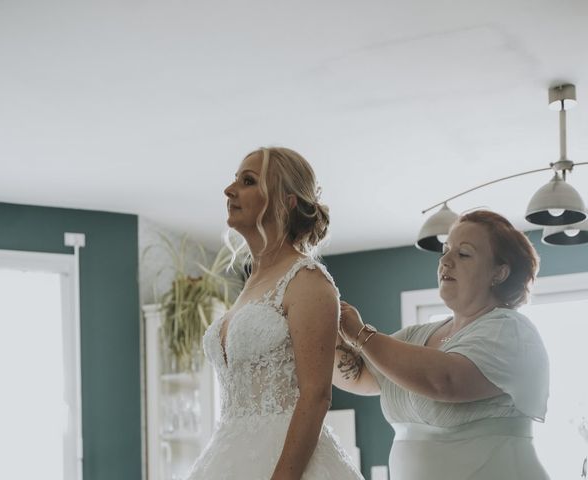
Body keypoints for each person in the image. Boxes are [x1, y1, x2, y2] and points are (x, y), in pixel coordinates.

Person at [186, 147, 363, 480]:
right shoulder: (252, 283)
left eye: (248, 181)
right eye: (234, 180)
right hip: (227, 456)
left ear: (287, 201)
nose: (229, 190)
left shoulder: (308, 282)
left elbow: (316, 397)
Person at [333, 210, 550, 480]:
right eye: (445, 251)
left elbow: (444, 381)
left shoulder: (511, 331)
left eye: (464, 254)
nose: (445, 261)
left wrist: (362, 334)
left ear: (499, 272)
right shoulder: (415, 336)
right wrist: (328, 330)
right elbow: (359, 377)